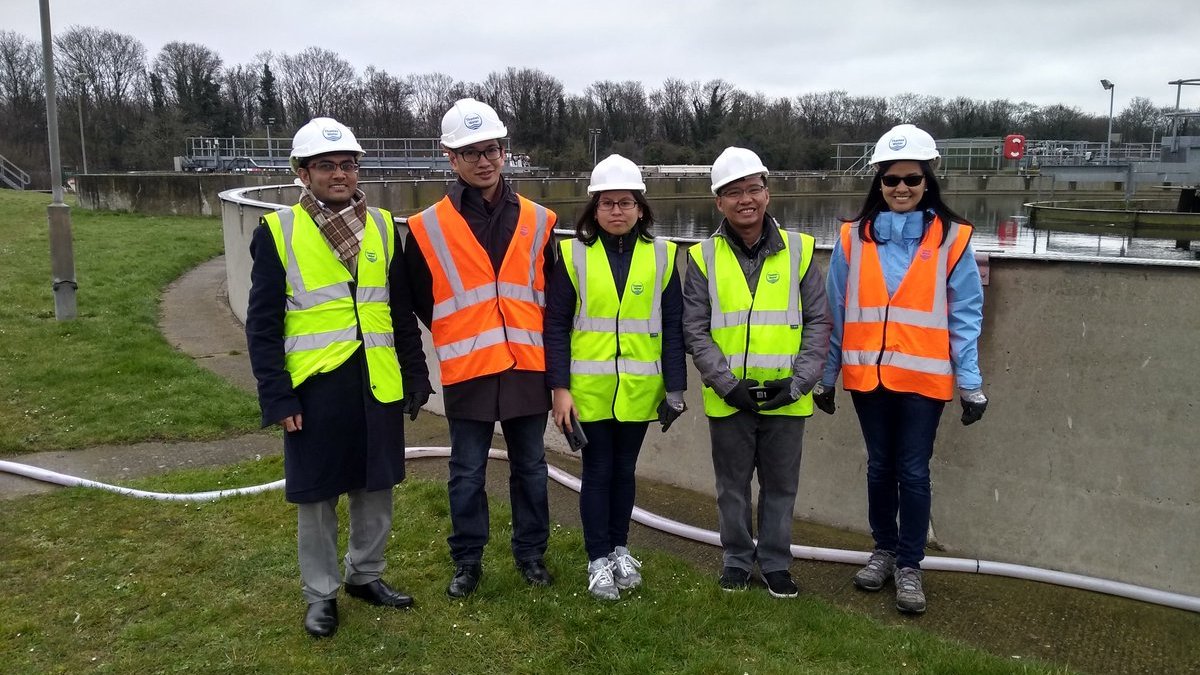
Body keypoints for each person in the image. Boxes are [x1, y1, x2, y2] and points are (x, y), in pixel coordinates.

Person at [245, 117, 432, 638]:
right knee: (317, 495)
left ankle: (365, 576)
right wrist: (278, 397)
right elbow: (262, 327)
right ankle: (321, 593)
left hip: (377, 380)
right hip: (315, 385)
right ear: (302, 173)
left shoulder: (383, 228)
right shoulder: (278, 232)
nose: (340, 175)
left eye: (348, 165)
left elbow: (400, 313)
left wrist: (416, 375)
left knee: (377, 488)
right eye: (326, 166)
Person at [814, 123, 988, 615]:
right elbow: (835, 313)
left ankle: (910, 565)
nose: (902, 188)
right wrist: (827, 378)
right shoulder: (853, 238)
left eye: (912, 179)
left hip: (923, 381)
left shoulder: (952, 239)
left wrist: (971, 385)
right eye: (891, 180)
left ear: (928, 181)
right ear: (879, 183)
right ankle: (884, 552)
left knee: (912, 471)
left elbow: (966, 315)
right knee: (879, 468)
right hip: (867, 379)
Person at [405, 98, 558, 598]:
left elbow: (554, 296)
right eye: (470, 152)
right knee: (466, 472)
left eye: (490, 149)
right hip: (469, 368)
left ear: (503, 152)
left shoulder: (540, 220)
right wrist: (462, 330)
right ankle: (467, 561)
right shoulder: (426, 227)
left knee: (531, 469)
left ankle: (530, 554)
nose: (483, 160)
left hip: (525, 367)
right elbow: (418, 298)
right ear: (451, 158)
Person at [682, 147, 831, 598]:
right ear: (719, 202)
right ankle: (736, 560)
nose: (745, 199)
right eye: (734, 192)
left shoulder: (801, 251)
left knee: (781, 486)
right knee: (732, 486)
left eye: (753, 189)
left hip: (788, 395)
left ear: (767, 193)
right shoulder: (702, 257)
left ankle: (775, 562)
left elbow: (819, 322)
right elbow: (695, 328)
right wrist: (727, 385)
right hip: (731, 398)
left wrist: (799, 383)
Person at [545, 155, 687, 600]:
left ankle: (620, 550)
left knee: (625, 472)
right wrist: (559, 390)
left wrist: (676, 390)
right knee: (598, 470)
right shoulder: (572, 255)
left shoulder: (662, 256)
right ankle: (597, 560)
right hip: (587, 392)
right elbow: (555, 326)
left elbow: (673, 326)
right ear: (594, 209)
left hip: (640, 391)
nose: (618, 211)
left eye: (626, 202)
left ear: (641, 208)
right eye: (608, 203)